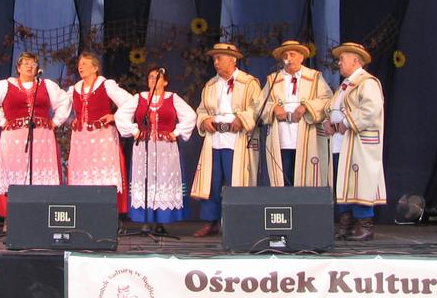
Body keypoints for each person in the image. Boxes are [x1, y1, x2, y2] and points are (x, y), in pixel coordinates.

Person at [0, 51, 71, 221]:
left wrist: (56, 121)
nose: (30, 66)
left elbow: (65, 101)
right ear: (18, 68)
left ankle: (41, 217)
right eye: (26, 63)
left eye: (33, 64)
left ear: (37, 68)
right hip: (14, 139)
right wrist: (1, 120)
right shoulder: (5, 85)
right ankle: (12, 218)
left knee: (40, 172)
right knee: (15, 172)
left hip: (42, 137)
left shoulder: (46, 85)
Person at [190, 42, 261, 237]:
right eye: (214, 58)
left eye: (219, 58)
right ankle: (210, 221)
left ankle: (238, 222)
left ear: (232, 60)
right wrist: (204, 120)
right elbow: (202, 109)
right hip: (215, 139)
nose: (215, 62)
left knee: (235, 181)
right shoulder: (210, 85)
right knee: (212, 181)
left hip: (236, 139)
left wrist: (242, 118)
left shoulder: (249, 83)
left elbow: (257, 107)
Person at [115, 64, 197, 231]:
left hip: (166, 148)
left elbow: (190, 116)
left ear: (165, 82)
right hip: (144, 148)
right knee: (145, 179)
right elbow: (121, 115)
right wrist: (134, 130)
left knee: (163, 180)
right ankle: (145, 220)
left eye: (157, 77)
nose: (153, 80)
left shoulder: (172, 98)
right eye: (150, 77)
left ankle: (161, 222)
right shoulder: (139, 98)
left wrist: (176, 132)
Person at [327, 42, 386, 241]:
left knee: (360, 181)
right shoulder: (345, 85)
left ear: (355, 61)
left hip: (357, 142)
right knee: (343, 183)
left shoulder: (367, 82)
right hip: (340, 142)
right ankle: (346, 223)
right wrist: (329, 121)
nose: (339, 63)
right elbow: (334, 108)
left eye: (342, 59)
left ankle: (364, 225)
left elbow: (370, 109)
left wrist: (346, 122)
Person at [258, 40, 333, 188]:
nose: (288, 58)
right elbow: (259, 103)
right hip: (282, 136)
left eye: (292, 54)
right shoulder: (273, 79)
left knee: (306, 177)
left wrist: (306, 107)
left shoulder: (314, 77)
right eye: (285, 55)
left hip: (306, 134)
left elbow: (327, 100)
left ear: (301, 57)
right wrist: (274, 108)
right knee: (285, 176)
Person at [65, 52, 133, 212]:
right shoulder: (75, 89)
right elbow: (61, 106)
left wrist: (115, 116)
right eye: (79, 64)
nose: (80, 67)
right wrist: (70, 119)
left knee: (103, 173)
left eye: (85, 64)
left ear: (95, 68)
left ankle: (105, 212)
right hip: (81, 139)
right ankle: (84, 211)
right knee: (82, 173)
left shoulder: (105, 85)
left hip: (103, 138)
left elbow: (130, 101)